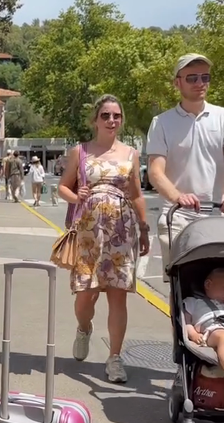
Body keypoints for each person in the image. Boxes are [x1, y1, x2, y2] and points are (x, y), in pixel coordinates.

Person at [59, 95, 150, 383]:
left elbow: (136, 194)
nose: (112, 120)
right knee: (86, 295)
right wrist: (76, 195)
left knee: (117, 296)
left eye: (117, 115)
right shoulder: (81, 152)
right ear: (95, 120)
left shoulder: (131, 154)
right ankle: (84, 327)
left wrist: (144, 229)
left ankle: (115, 358)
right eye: (106, 115)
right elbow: (63, 187)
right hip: (88, 231)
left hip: (122, 231)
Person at [147, 53, 224, 282]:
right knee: (182, 285)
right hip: (178, 217)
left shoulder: (221, 117)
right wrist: (178, 196)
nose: (200, 83)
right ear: (177, 82)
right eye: (192, 78)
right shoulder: (161, 123)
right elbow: (155, 171)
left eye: (205, 77)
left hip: (217, 214)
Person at [184, 268, 224, 368]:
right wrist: (193, 334)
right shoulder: (193, 302)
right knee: (222, 337)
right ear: (208, 285)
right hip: (212, 331)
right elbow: (186, 322)